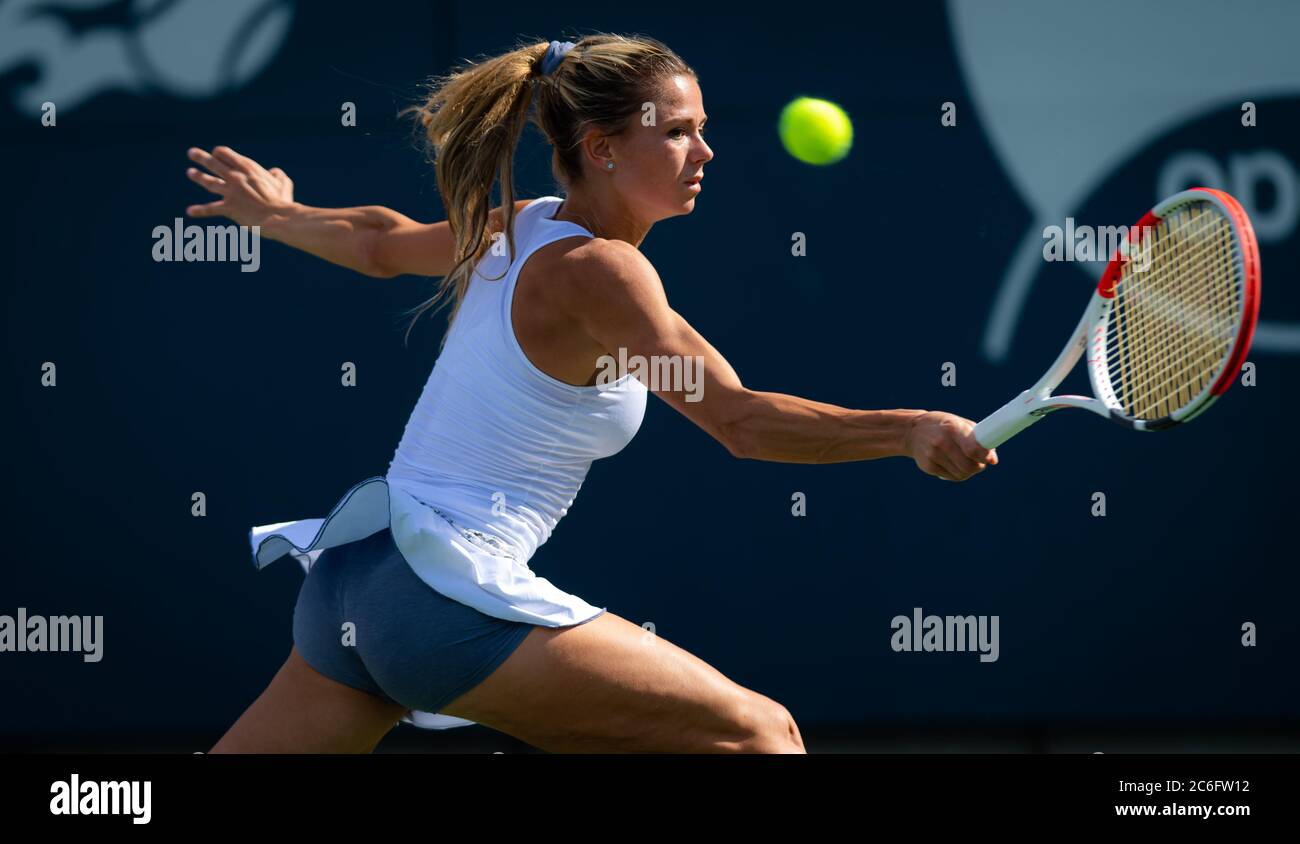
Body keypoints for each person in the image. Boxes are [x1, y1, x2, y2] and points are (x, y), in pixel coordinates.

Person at [192, 34, 997, 754]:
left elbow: (376, 242)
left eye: (703, 128)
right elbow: (740, 421)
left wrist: (280, 215)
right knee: (762, 735)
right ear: (603, 148)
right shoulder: (604, 272)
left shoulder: (521, 224)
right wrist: (911, 428)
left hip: (352, 586)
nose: (705, 152)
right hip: (436, 598)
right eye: (677, 131)